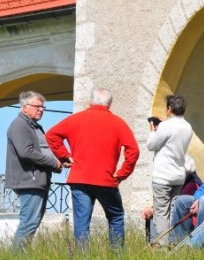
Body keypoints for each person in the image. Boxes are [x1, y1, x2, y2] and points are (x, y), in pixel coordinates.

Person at [46, 87, 140, 250]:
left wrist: (65, 156)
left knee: (82, 223)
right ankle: (116, 258)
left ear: (90, 101)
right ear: (109, 104)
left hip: (80, 178)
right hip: (106, 179)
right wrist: (122, 174)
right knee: (116, 217)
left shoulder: (75, 119)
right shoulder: (118, 122)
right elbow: (134, 150)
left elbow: (51, 135)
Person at [5, 91, 63, 251]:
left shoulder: (32, 125)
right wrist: (53, 162)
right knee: (28, 222)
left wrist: (59, 162)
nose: (41, 110)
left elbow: (41, 150)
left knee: (32, 222)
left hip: (36, 180)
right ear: (25, 108)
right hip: (29, 181)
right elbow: (26, 152)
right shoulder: (19, 125)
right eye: (37, 106)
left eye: (43, 107)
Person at [146, 95, 192, 245]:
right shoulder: (187, 127)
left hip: (163, 176)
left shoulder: (166, 126)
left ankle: (161, 246)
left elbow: (151, 145)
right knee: (172, 211)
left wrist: (153, 130)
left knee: (161, 213)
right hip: (178, 175)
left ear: (169, 109)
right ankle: (173, 242)